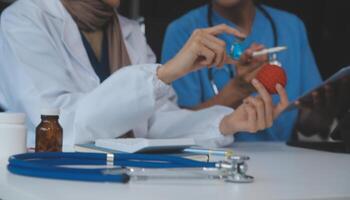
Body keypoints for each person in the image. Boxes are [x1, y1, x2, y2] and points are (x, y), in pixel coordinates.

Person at [0, 0, 288, 148]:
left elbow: (153, 124)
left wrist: (226, 122)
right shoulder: (23, 21)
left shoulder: (128, 32)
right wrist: (164, 74)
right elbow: (58, 127)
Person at [162, 0, 322, 141]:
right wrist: (237, 90)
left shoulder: (291, 27)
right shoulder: (183, 32)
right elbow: (171, 128)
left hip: (289, 162)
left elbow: (309, 124)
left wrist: (332, 106)